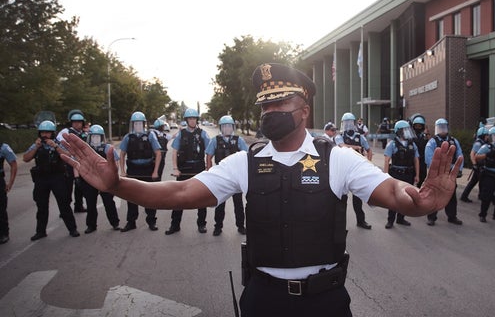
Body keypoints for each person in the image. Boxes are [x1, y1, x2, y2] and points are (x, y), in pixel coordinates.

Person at [61, 63, 461, 317]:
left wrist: (421, 202)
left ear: (303, 110)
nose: (270, 113)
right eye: (265, 106)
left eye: (279, 104)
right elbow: (179, 195)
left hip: (325, 303)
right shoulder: (245, 162)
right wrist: (118, 186)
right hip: (263, 301)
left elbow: (394, 193)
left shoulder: (337, 158)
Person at [24, 120, 80, 240]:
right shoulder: (37, 145)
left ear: (52, 133)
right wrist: (36, 147)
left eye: (47, 133)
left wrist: (55, 147)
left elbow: (68, 156)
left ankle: (72, 228)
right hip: (41, 178)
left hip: (57, 177)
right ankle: (40, 231)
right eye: (43, 132)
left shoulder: (57, 143)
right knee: (41, 205)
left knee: (64, 204)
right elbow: (26, 158)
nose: (45, 135)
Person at [165, 108, 210, 235]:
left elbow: (209, 152)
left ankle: (201, 224)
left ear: (197, 120)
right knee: (179, 199)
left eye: (194, 118)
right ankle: (175, 225)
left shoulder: (203, 134)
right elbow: (174, 152)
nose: (192, 120)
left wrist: (209, 167)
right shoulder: (181, 134)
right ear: (186, 120)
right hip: (184, 169)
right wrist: (175, 168)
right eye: (190, 118)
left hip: (199, 168)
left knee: (201, 198)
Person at [205, 115, 248, 236]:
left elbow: (246, 155)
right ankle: (218, 226)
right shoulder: (215, 140)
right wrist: (209, 171)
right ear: (221, 128)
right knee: (219, 203)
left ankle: (240, 226)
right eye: (224, 126)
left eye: (229, 126)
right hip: (221, 177)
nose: (227, 128)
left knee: (238, 203)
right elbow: (209, 156)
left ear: (233, 127)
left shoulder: (239, 140)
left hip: (236, 176)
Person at [119, 111, 162, 232]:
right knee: (132, 197)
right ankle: (131, 222)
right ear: (132, 124)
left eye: (140, 123)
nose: (138, 125)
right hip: (133, 169)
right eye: (135, 123)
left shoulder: (150, 136)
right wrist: (122, 171)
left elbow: (158, 153)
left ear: (144, 124)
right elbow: (122, 154)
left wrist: (155, 171)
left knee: (150, 197)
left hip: (147, 169)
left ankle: (151, 221)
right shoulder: (128, 137)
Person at [335, 112, 373, 229]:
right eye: (346, 123)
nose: (348, 126)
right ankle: (338, 224)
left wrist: (368, 162)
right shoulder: (339, 136)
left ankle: (361, 221)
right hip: (343, 169)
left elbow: (369, 150)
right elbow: (342, 146)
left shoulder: (360, 137)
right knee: (341, 198)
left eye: (350, 123)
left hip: (356, 170)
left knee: (358, 199)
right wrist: (356, 147)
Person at [80, 125, 121, 232]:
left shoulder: (108, 148)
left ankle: (115, 223)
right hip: (91, 179)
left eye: (98, 137)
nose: (95, 139)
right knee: (90, 203)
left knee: (108, 202)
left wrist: (115, 177)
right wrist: (77, 177)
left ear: (102, 137)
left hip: (105, 179)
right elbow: (80, 162)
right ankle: (91, 225)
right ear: (90, 137)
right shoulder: (86, 149)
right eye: (93, 137)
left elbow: (115, 162)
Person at [425, 118, 464, 226]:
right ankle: (431, 217)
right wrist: (434, 168)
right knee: (435, 195)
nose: (442, 130)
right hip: (438, 172)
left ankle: (452, 216)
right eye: (440, 128)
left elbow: (460, 154)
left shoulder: (454, 141)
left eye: (444, 127)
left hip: (450, 173)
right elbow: (428, 157)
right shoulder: (432, 142)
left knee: (451, 195)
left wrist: (459, 169)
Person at [383, 120, 419, 229]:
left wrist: (417, 175)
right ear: (399, 132)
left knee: (406, 197)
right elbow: (386, 160)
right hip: (396, 173)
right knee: (394, 197)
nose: (407, 132)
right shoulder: (392, 144)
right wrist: (385, 176)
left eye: (408, 130)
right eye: (405, 130)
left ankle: (401, 218)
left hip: (408, 173)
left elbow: (416, 160)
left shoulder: (412, 144)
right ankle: (390, 220)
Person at [57, 109, 87, 213]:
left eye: (79, 122)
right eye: (75, 122)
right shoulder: (65, 132)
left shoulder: (84, 134)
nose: (77, 124)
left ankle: (78, 206)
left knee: (79, 186)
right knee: (67, 187)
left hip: (80, 163)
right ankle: (65, 210)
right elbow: (60, 146)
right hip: (68, 163)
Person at [460, 126, 490, 203]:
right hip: (479, 166)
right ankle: (482, 197)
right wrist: (474, 164)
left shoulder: (484, 143)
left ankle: (465, 196)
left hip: (481, 166)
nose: (488, 136)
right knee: (481, 182)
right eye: (486, 135)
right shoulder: (478, 143)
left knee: (475, 182)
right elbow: (472, 154)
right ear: (482, 135)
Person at [0, 140, 17, 244]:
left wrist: (10, 183)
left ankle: (3, 233)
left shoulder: (3, 147)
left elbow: (13, 164)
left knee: (1, 209)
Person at [409, 114, 430, 187]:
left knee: (422, 179)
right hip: (412, 161)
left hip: (422, 161)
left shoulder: (425, 137)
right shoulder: (410, 137)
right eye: (416, 126)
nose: (418, 128)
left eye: (419, 126)